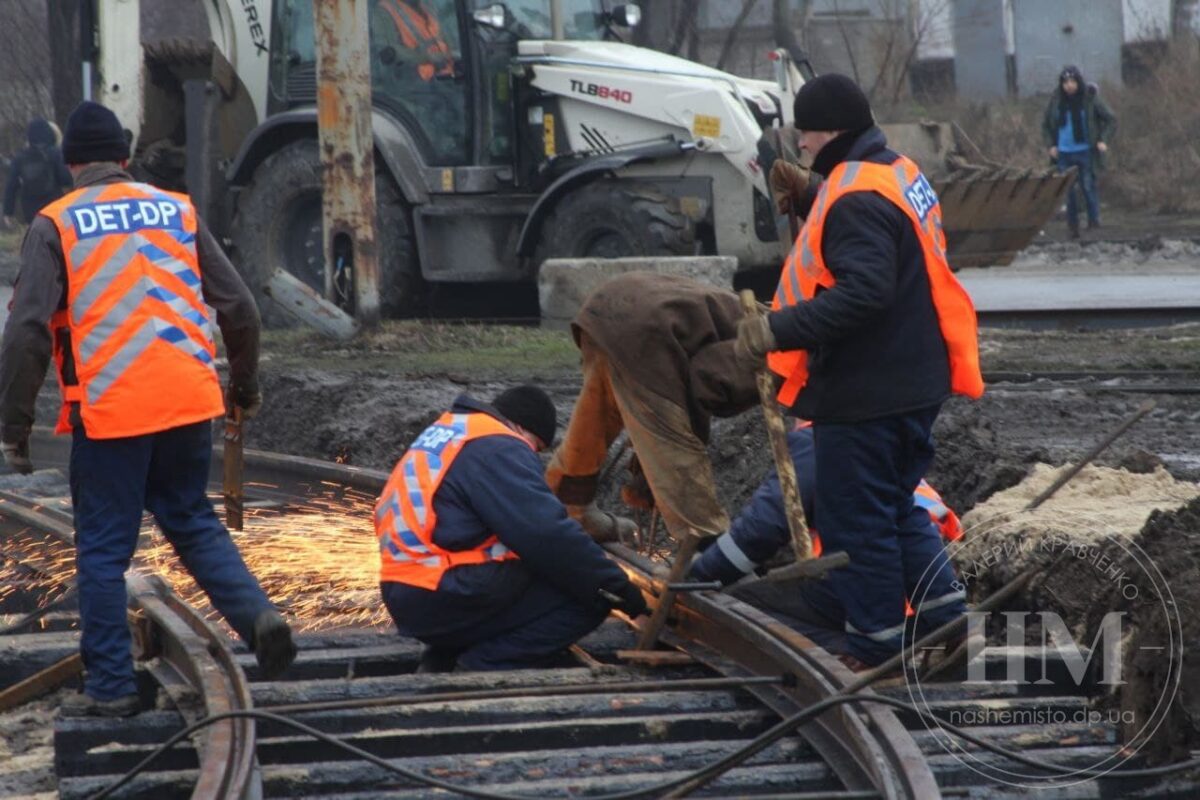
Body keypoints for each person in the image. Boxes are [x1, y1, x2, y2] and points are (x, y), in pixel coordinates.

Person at [0, 101, 296, 716]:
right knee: (192, 521)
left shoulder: (55, 223)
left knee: (103, 553)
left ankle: (110, 689)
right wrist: (242, 387)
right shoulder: (177, 209)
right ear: (126, 158)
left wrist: (13, 428)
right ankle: (258, 616)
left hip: (113, 414)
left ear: (69, 163)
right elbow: (240, 309)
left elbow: (27, 331)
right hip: (190, 404)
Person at [734, 73, 983, 670]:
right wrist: (816, 193)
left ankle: (875, 651)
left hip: (870, 390)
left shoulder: (856, 198)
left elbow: (865, 291)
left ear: (833, 131)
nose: (800, 147)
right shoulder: (895, 171)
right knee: (894, 503)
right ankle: (947, 619)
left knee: (857, 523)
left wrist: (777, 329)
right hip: (915, 377)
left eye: (807, 136)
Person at [377, 386, 647, 672]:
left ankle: (442, 659)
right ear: (519, 428)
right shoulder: (498, 446)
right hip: (448, 593)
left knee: (529, 573)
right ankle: (482, 667)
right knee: (588, 595)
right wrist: (618, 588)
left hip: (411, 593)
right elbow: (546, 535)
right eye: (535, 447)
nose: (531, 455)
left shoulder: (451, 432)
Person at [690, 422, 963, 656]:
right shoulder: (882, 440)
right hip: (928, 598)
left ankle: (844, 650)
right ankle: (927, 635)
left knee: (742, 605)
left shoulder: (818, 444)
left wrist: (698, 578)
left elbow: (759, 531)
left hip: (879, 605)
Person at [544, 272, 760, 544]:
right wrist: (661, 457)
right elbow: (704, 381)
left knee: (595, 420)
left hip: (607, 307)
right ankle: (707, 545)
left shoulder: (764, 321)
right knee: (678, 456)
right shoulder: (783, 354)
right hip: (646, 328)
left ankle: (568, 508)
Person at [1041, 65, 1117, 238]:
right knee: (1068, 189)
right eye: (1066, 82)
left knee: (1087, 185)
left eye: (1073, 81)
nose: (1069, 86)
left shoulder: (1089, 99)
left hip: (1085, 150)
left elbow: (1111, 119)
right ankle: (1072, 225)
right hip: (1063, 152)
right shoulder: (1056, 101)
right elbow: (1046, 125)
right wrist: (1051, 145)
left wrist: (1103, 140)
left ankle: (1093, 220)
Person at [3, 118, 72, 225]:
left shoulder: (20, 157)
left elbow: (11, 186)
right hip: (54, 206)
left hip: (31, 210)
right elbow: (65, 179)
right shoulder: (56, 153)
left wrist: (8, 212)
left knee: (36, 238)